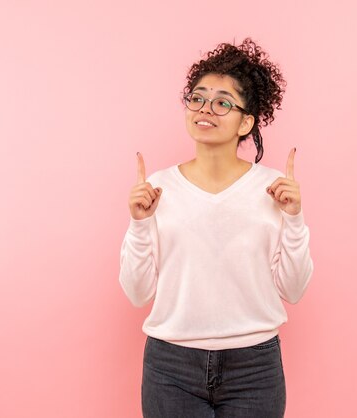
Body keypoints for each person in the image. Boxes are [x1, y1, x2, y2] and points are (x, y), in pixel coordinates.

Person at [119, 37, 314, 418]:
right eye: (197, 98)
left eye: (222, 102)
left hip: (254, 367)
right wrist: (139, 224)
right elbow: (137, 293)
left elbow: (294, 289)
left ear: (246, 121)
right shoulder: (158, 188)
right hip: (170, 366)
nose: (205, 109)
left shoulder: (273, 190)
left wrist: (294, 218)